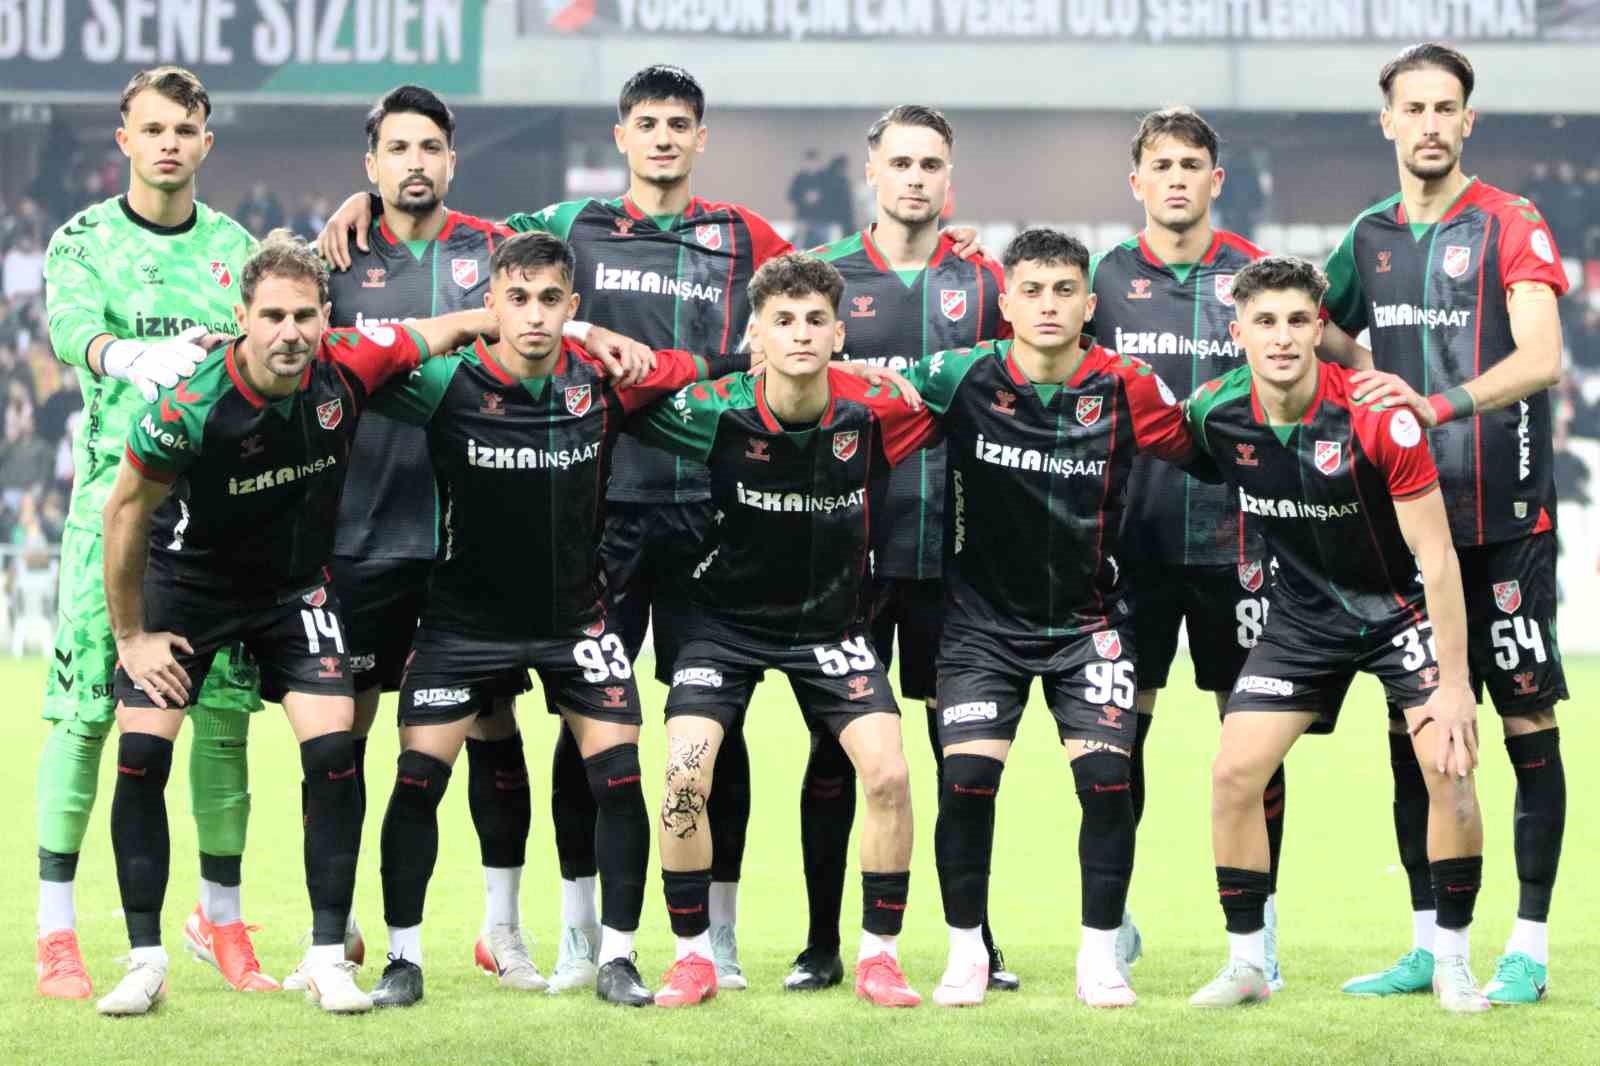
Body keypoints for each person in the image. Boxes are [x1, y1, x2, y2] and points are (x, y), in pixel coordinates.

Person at [317, 68, 981, 992]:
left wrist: (943, 243)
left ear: (699, 138)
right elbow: (480, 253)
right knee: (587, 727)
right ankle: (584, 932)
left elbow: (821, 286)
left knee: (715, 724)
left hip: (716, 505)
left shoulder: (743, 234)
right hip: (600, 505)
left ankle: (717, 937)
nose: (663, 137)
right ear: (621, 135)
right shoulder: (570, 222)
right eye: (647, 123)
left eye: (679, 124)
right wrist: (369, 204)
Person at [94, 232, 495, 1016]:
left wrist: (530, 324)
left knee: (334, 753)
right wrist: (132, 638)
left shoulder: (348, 364)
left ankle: (325, 957)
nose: (290, 332)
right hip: (188, 586)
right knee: (141, 755)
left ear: (325, 318)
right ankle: (145, 962)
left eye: (305, 316)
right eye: (273, 316)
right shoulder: (188, 406)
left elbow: (437, 330)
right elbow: (124, 514)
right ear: (242, 317)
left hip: (293, 591)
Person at [356, 230, 744, 1009]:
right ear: (492, 304)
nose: (534, 315)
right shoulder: (446, 383)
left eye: (549, 300)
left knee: (620, 779)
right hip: (462, 623)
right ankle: (403, 959)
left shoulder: (603, 382)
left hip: (577, 621)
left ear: (573, 306)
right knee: (417, 781)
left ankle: (618, 959)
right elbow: (354, 362)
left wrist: (754, 358)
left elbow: (693, 367)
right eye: (517, 299)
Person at [900, 228, 1210, 1009]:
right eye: (1032, 290)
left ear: (1089, 304)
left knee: (1107, 783)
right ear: (1004, 303)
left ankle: (1100, 958)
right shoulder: (958, 376)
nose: (1048, 305)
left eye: (1064, 290)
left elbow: (1207, 445)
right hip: (980, 628)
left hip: (1089, 624)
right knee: (966, 781)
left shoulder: (1129, 386)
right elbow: (866, 404)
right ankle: (966, 955)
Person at [1321, 42, 1570, 1006]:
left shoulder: (1511, 220)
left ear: (1469, 120)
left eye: (1445, 107)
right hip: (1404, 523)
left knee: (1525, 722)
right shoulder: (1369, 234)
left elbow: (1542, 356)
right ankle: (1429, 942)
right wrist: (1367, 373)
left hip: (1505, 520)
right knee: (1413, 726)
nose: (1429, 123)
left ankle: (1530, 948)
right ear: (1387, 121)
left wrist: (1436, 403)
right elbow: (1321, 325)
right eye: (1413, 108)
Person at [1184, 255, 1488, 1013]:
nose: (1282, 337)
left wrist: (1454, 687)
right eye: (1265, 322)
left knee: (1448, 767)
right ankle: (1248, 963)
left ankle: (1452, 961)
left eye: (1298, 320)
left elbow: (1437, 557)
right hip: (1302, 620)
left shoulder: (1376, 414)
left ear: (1320, 327)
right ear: (1238, 333)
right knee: (1233, 772)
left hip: (1401, 613)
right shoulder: (1213, 413)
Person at [631, 253, 935, 1009]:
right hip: (722, 625)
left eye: (815, 321)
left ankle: (880, 958)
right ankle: (693, 958)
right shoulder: (714, 410)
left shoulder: (879, 410)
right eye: (783, 321)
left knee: (890, 776)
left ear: (839, 335)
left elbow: (965, 391)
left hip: (830, 625)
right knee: (684, 778)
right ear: (756, 336)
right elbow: (626, 397)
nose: (801, 333)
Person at [290, 83, 529, 991]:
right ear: (372, 164)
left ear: (453, 160)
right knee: (339, 739)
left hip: (472, 541)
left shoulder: (498, 250)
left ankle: (502, 929)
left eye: (430, 147)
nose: (415, 163)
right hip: (355, 535)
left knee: (493, 727)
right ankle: (338, 925)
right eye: (397, 149)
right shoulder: (332, 262)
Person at [36, 66, 268, 1001]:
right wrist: (124, 353)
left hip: (217, 525)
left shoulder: (237, 250)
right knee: (86, 718)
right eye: (154, 128)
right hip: (114, 515)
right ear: (124, 140)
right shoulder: (81, 240)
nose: (170, 143)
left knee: (222, 719)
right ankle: (56, 933)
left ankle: (222, 921)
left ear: (207, 143)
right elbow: (67, 327)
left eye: (186, 129)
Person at [794, 104, 1014, 995]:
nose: (915, 178)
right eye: (901, 163)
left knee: (964, 758)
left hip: (959, 558)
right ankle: (821, 942)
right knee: (834, 754)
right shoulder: (825, 279)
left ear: (948, 179)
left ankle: (976, 939)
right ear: (871, 172)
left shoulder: (991, 283)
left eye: (930, 165)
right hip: (848, 556)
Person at [1086, 106, 1280, 987]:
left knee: (1253, 743)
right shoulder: (1102, 278)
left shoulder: (1256, 275)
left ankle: (1259, 932)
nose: (1176, 178)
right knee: (1116, 739)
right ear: (1137, 182)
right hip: (1129, 544)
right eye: (1160, 165)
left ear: (1215, 179)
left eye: (1190, 164)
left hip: (1243, 541)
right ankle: (1114, 921)